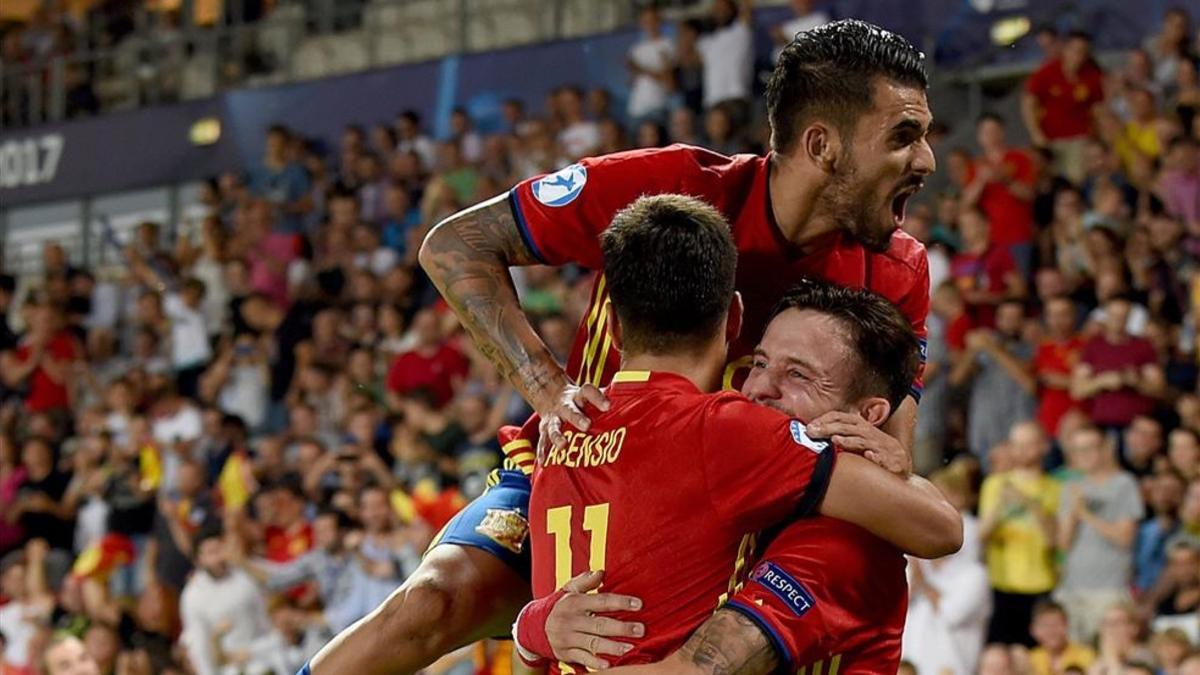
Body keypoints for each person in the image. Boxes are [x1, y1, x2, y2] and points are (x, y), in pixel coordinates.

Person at [307, 19, 936, 674]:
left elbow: (893, 460)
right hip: (587, 470)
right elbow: (455, 244)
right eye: (903, 137)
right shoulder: (668, 189)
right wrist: (545, 385)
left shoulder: (901, 271)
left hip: (754, 503)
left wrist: (884, 461)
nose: (926, 161)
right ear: (822, 145)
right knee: (433, 600)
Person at [513, 195, 958, 674]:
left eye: (799, 376)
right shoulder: (732, 472)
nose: (762, 389)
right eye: (760, 363)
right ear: (735, 324)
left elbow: (696, 670)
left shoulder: (841, 539)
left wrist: (528, 632)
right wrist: (531, 631)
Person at [1055, 426, 1144, 644]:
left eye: (1089, 448)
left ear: (1105, 449)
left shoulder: (1124, 483)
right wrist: (1074, 514)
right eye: (1077, 450)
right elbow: (1063, 544)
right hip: (1072, 587)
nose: (1083, 455)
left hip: (1110, 589)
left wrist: (1086, 513)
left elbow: (1125, 538)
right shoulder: (1072, 486)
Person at [979, 421, 1060, 647]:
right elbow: (980, 536)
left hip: (1040, 585)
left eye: (1029, 444)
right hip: (1001, 585)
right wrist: (999, 507)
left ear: (1044, 447)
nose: (1022, 450)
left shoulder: (1055, 488)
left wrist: (1029, 503)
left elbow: (1055, 541)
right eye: (1017, 444)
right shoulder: (995, 484)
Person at [1071, 294, 1165, 430]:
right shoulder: (1093, 346)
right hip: (1102, 423)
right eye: (1114, 315)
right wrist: (1102, 381)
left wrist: (1137, 382)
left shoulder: (1143, 346)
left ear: (1129, 317)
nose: (1118, 321)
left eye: (1123, 316)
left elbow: (1158, 388)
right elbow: (1077, 389)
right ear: (1106, 316)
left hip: (1137, 425)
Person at [1021, 31, 1105, 183]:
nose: (1078, 56)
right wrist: (1035, 133)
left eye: (1083, 52)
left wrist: (1097, 136)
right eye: (1075, 50)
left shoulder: (1092, 76)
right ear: (1065, 50)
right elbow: (1028, 103)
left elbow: (1097, 109)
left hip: (1079, 138)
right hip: (1050, 139)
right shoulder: (1046, 73)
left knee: (1075, 180)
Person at [962, 113, 1037, 275]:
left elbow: (1030, 194)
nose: (991, 137)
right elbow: (966, 203)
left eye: (994, 131)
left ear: (1002, 132)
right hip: (988, 241)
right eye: (986, 132)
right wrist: (981, 180)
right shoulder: (975, 166)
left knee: (1020, 282)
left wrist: (1005, 179)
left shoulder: (1020, 159)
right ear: (980, 137)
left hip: (1018, 235)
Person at [625, 5, 674, 125]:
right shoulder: (636, 49)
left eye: (653, 21)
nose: (650, 25)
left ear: (659, 21)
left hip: (657, 105)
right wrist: (633, 70)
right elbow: (632, 82)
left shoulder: (667, 44)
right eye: (646, 21)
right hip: (636, 109)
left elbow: (669, 82)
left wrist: (641, 69)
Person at [1027, 601, 1096, 675]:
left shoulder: (1087, 656)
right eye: (1045, 625)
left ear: (1067, 625)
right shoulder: (1029, 660)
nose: (1051, 631)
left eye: (1056, 623)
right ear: (1033, 630)